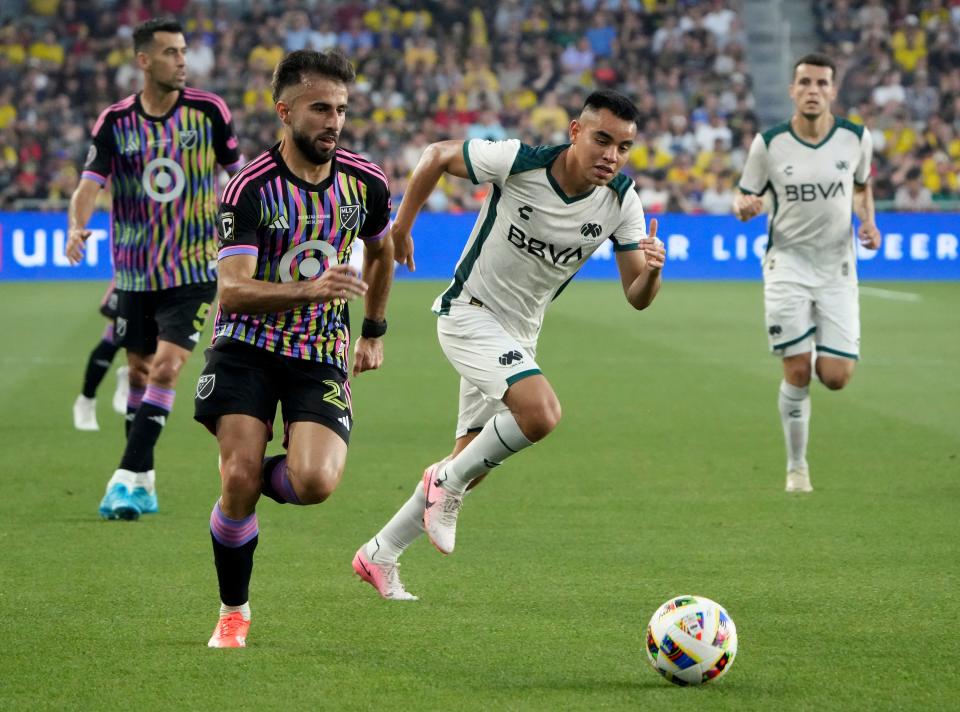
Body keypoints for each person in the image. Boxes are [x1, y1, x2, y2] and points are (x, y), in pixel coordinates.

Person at [353, 89, 665, 601]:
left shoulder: (620, 201)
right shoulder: (518, 162)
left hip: (518, 334)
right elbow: (434, 155)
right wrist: (400, 228)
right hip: (468, 313)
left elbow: (637, 297)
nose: (611, 155)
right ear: (575, 132)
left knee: (469, 466)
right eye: (602, 139)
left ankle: (380, 553)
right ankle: (443, 484)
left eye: (624, 147)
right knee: (540, 414)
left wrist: (653, 271)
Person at [194, 49, 394, 648]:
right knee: (237, 474)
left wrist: (374, 330)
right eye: (319, 109)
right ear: (284, 111)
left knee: (314, 483)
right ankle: (234, 610)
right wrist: (311, 288)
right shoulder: (248, 189)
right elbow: (231, 292)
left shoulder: (367, 182)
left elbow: (382, 253)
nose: (333, 121)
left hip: (321, 350)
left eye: (341, 109)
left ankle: (251, 482)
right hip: (246, 347)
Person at [66, 17, 242, 519]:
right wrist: (76, 227)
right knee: (139, 369)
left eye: (183, 51)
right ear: (144, 61)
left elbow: (238, 176)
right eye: (170, 52)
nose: (182, 60)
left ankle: (123, 477)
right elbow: (87, 187)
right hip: (135, 273)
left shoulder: (209, 112)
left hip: (193, 269)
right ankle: (142, 481)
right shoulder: (115, 122)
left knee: (167, 366)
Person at [732, 53, 881, 493]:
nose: (813, 90)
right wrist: (744, 207)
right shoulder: (770, 143)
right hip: (788, 265)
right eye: (805, 83)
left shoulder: (856, 138)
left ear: (833, 91)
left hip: (837, 266)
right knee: (797, 370)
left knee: (835, 377)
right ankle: (797, 468)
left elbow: (860, 186)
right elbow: (742, 199)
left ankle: (812, 342)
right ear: (792, 91)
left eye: (821, 83)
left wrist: (868, 222)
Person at [72, 282, 130, 431]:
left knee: (152, 342)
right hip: (130, 278)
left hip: (165, 280)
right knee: (112, 340)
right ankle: (86, 399)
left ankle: (129, 376)